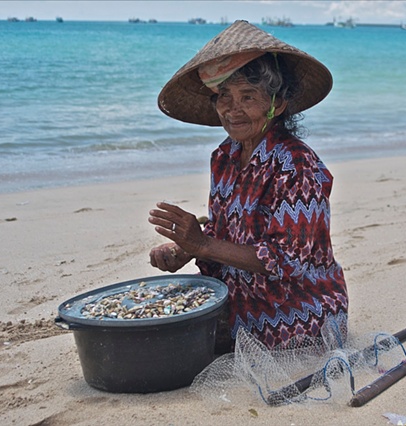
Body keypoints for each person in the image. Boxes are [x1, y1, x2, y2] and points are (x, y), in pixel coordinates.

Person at [148, 20, 347, 352]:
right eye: (224, 96)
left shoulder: (296, 165)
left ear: (277, 105)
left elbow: (286, 261)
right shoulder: (224, 156)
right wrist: (184, 249)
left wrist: (204, 245)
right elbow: (228, 230)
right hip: (237, 300)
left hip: (297, 316)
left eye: (248, 96)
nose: (232, 109)